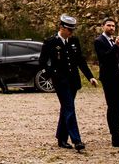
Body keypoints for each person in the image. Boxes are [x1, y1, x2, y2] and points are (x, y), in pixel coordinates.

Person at [40, 14, 97, 152]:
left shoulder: (74, 41)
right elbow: (42, 61)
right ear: (61, 27)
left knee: (66, 108)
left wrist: (90, 77)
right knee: (69, 108)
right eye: (68, 29)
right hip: (60, 81)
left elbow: (80, 61)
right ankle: (76, 140)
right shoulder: (50, 42)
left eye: (73, 30)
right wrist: (52, 74)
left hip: (73, 80)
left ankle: (61, 138)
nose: (71, 32)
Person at [93, 16, 119, 148]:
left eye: (113, 26)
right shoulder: (99, 41)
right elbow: (104, 58)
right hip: (109, 78)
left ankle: (118, 134)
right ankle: (115, 136)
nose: (111, 28)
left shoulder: (115, 40)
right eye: (109, 25)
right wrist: (116, 46)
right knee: (113, 107)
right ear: (103, 26)